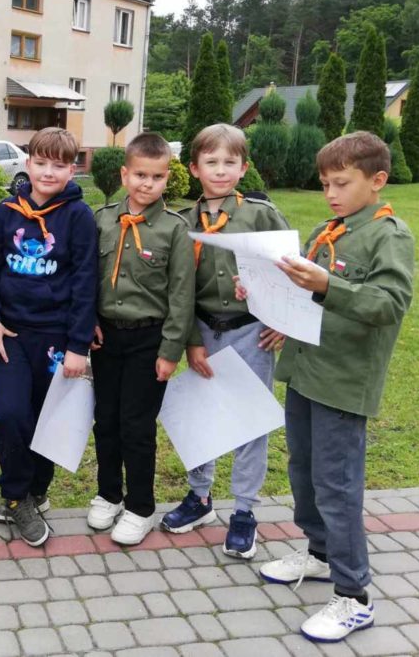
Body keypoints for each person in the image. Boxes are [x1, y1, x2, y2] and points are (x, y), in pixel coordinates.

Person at [252, 131, 414, 643]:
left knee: (337, 486)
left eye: (341, 183)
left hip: (343, 382)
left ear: (377, 180)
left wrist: (327, 285)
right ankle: (320, 554)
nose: (330, 194)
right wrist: (263, 291)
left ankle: (354, 595)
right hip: (305, 372)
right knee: (303, 471)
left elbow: (389, 304)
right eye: (325, 184)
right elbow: (302, 293)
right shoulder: (328, 230)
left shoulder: (388, 236)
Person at [160, 123, 289, 559]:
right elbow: (178, 290)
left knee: (250, 421)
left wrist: (281, 319)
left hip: (252, 332)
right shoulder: (182, 222)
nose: (220, 170)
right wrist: (191, 341)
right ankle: (200, 497)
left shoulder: (261, 214)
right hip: (203, 333)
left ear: (243, 167)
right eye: (211, 162)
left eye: (230, 162)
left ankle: (245, 511)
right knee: (202, 416)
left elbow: (292, 269)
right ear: (194, 168)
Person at [0, 127, 98, 547]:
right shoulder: (7, 211)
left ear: (71, 170)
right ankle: (15, 496)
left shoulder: (79, 217)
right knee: (11, 415)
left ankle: (35, 491)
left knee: (47, 421)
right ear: (28, 164)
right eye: (41, 163)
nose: (48, 172)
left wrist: (78, 345)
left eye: (58, 165)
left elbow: (85, 282)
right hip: (10, 334)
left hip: (55, 338)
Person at [89, 133, 195, 545]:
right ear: (124, 174)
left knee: (136, 425)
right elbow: (88, 278)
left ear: (168, 178)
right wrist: (88, 323)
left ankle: (140, 507)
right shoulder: (103, 220)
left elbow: (181, 295)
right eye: (139, 175)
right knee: (106, 420)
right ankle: (109, 494)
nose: (147, 184)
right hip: (106, 337)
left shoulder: (175, 229)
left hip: (149, 340)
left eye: (156, 177)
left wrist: (170, 351)